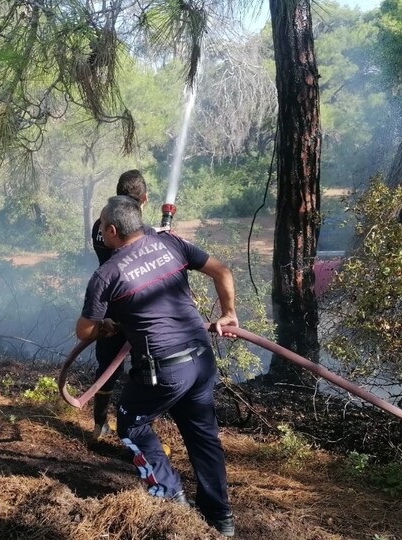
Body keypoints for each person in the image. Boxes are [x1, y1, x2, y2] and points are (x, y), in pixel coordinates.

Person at [76, 195, 239, 537]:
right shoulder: (170, 243)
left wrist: (108, 325)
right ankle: (220, 519)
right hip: (200, 358)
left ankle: (170, 497)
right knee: (203, 436)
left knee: (131, 424)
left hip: (163, 370)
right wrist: (228, 313)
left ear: (112, 230)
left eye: (103, 228)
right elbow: (221, 271)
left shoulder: (107, 274)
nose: (101, 235)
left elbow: (85, 330)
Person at [88, 169, 150, 439]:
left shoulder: (99, 225)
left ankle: (99, 425)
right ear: (144, 199)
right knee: (144, 368)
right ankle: (137, 431)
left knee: (108, 367)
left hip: (107, 308)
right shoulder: (140, 232)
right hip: (137, 308)